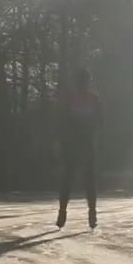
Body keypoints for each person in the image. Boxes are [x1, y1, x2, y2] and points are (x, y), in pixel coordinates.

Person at [57, 69, 102, 229]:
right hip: (77, 143)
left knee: (81, 179)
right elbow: (62, 120)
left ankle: (89, 212)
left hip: (82, 143)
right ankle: (67, 211)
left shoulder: (92, 99)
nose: (83, 85)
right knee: (75, 178)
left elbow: (99, 121)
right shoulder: (74, 99)